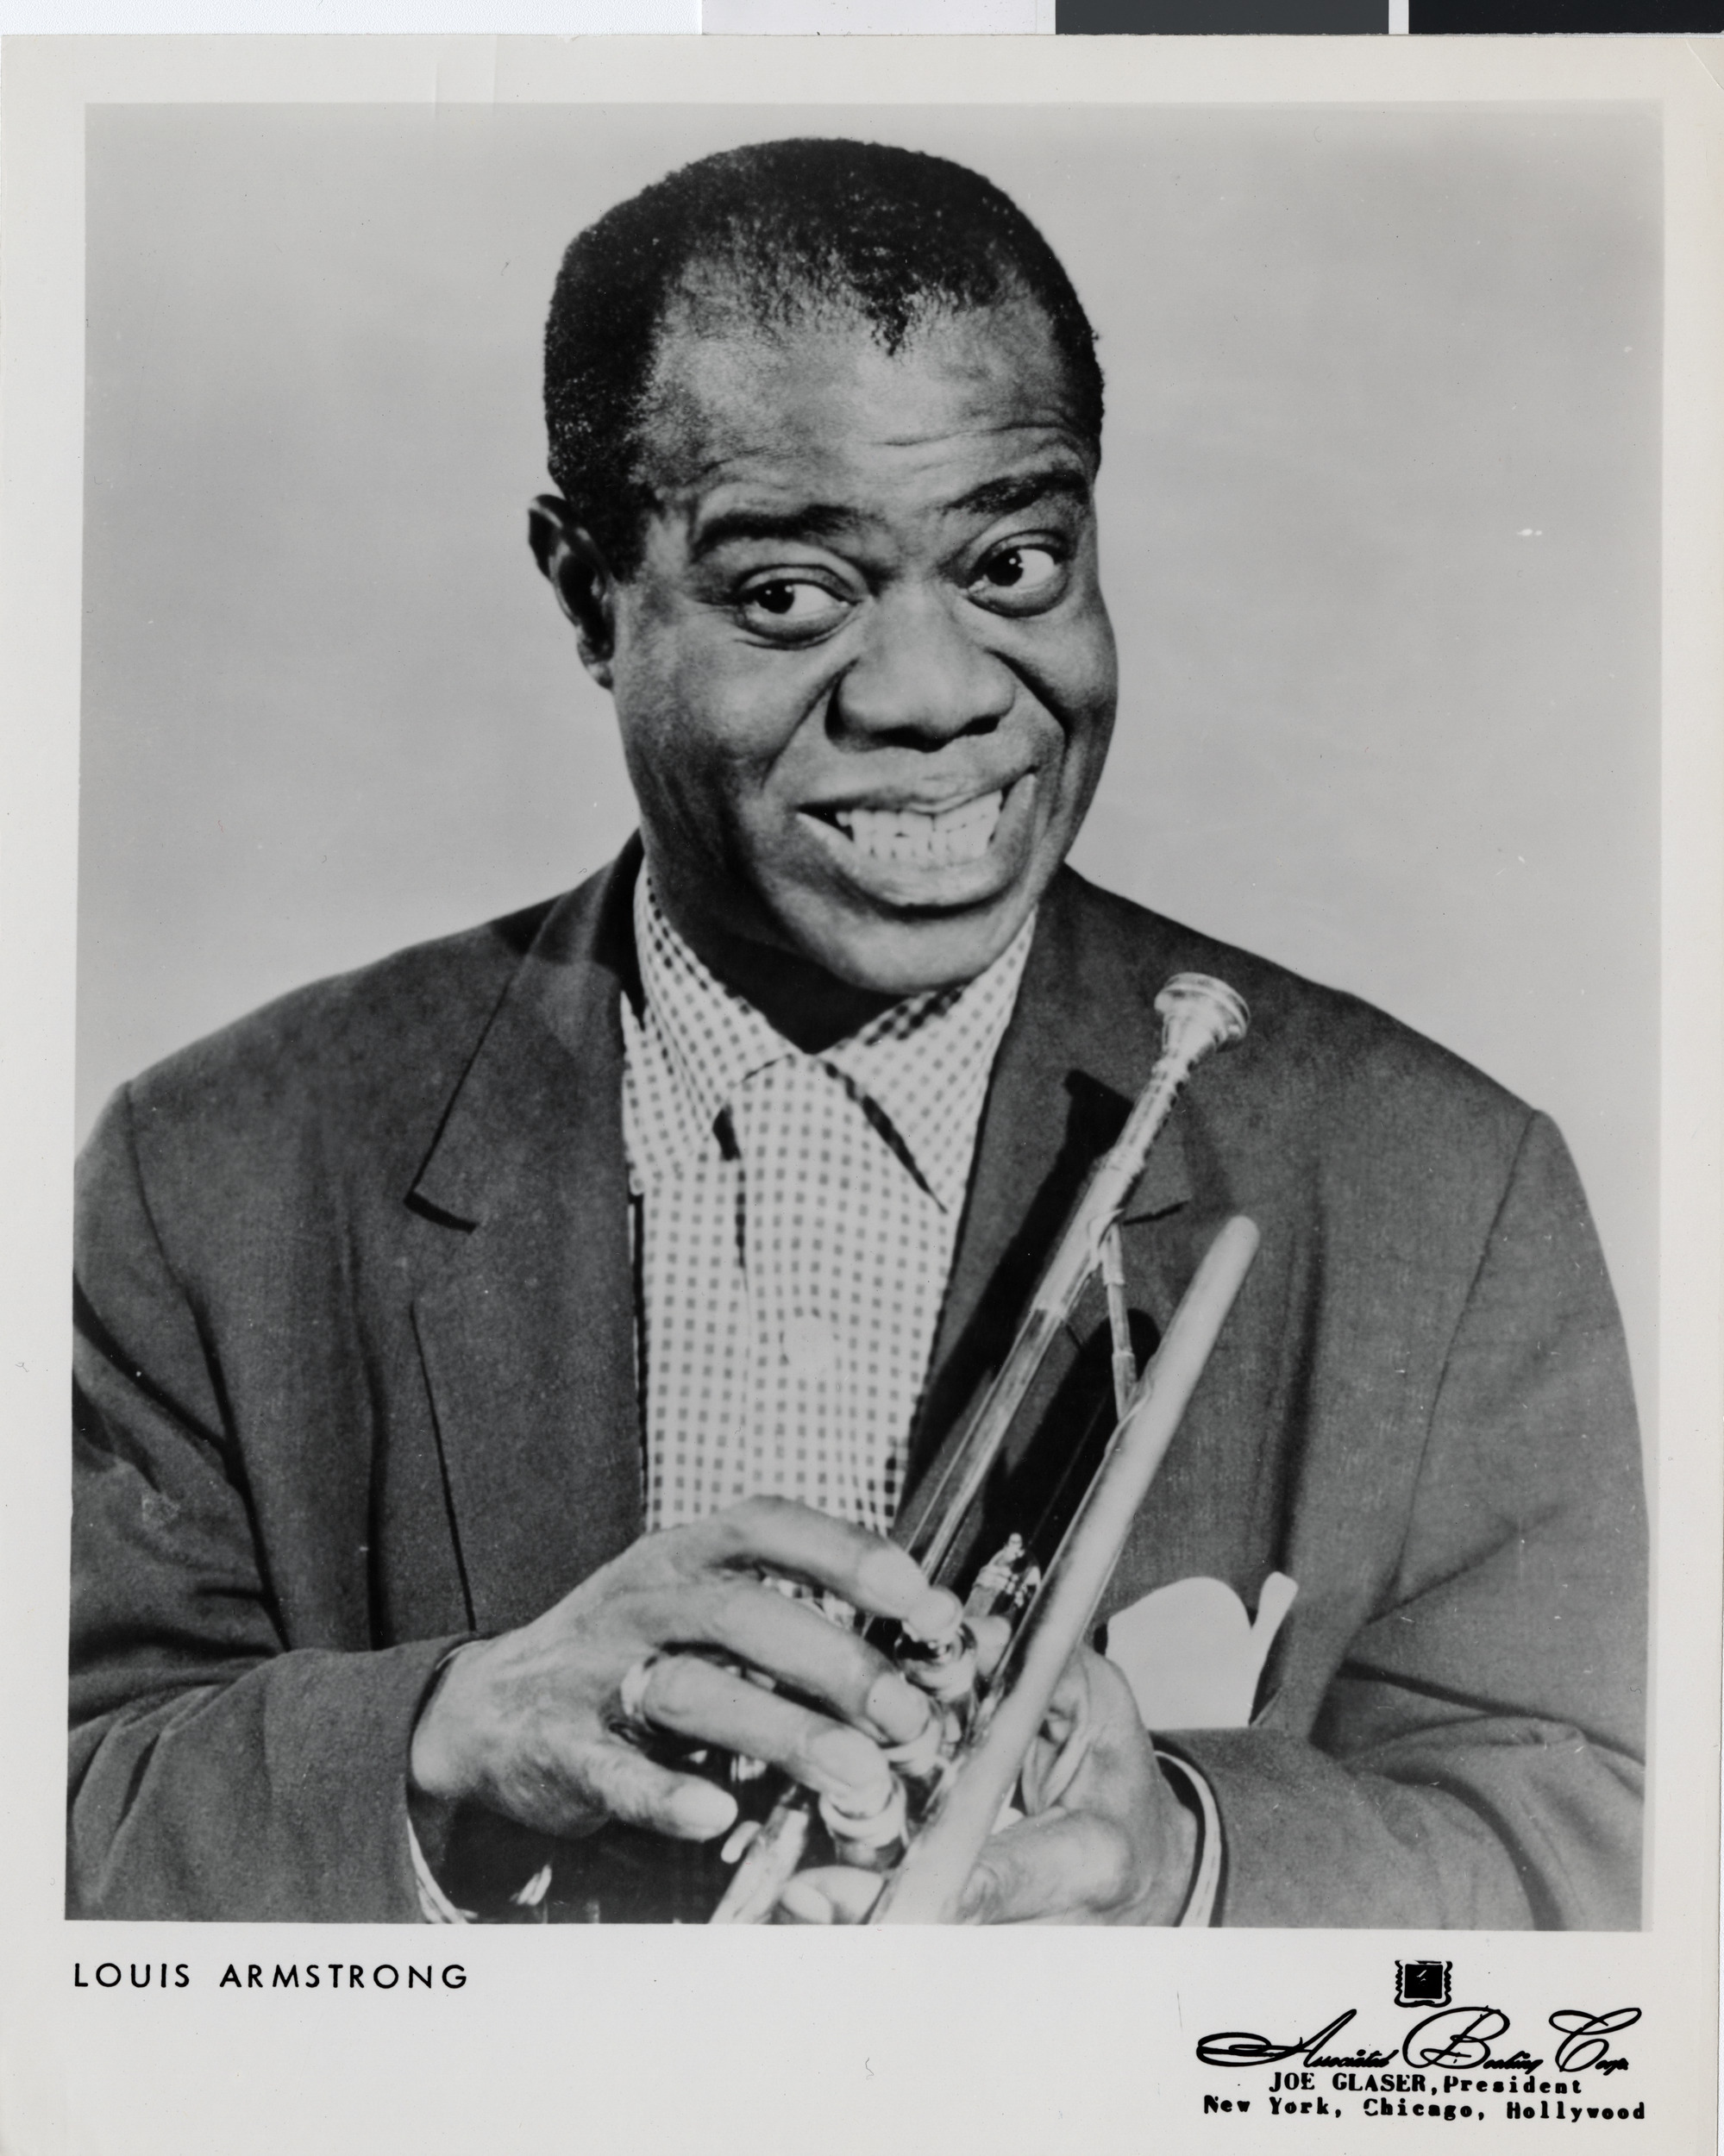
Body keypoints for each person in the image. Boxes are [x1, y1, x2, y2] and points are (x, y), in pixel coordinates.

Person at [69, 138, 1645, 1928]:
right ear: (590, 593)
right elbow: (54, 1804)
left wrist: (1185, 1861)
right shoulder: (212, 1174)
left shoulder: (1448, 1187)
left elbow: (1600, 1869)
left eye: (1018, 561)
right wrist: (443, 1741)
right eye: (789, 595)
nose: (934, 692)